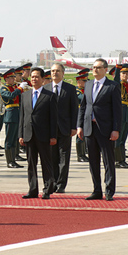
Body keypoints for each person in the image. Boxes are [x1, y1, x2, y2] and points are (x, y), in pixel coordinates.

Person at [77, 58, 121, 201]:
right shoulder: (88, 84)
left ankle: (109, 190)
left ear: (105, 70)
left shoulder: (112, 86)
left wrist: (116, 129)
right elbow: (83, 107)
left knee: (108, 161)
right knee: (93, 161)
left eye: (98, 67)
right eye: (93, 67)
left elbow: (117, 110)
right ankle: (96, 190)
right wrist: (79, 126)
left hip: (106, 129)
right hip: (90, 128)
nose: (95, 70)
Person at [19, 67, 57, 199]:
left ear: (42, 79)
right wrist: (21, 134)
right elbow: (22, 117)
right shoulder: (25, 95)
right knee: (31, 163)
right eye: (32, 77)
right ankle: (32, 189)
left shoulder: (50, 96)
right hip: (29, 134)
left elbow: (53, 118)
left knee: (46, 163)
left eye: (37, 77)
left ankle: (47, 189)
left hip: (44, 135)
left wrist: (53, 136)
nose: (34, 79)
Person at [44, 62, 78, 193]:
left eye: (57, 71)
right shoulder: (45, 88)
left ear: (63, 73)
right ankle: (52, 182)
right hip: (49, 130)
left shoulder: (69, 89)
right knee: (51, 157)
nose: (54, 73)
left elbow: (74, 109)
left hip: (65, 128)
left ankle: (61, 184)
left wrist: (74, 127)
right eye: (52, 71)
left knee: (63, 157)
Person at [0, 68, 27, 168]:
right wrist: (19, 89)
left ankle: (14, 158)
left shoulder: (14, 87)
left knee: (16, 138)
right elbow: (10, 96)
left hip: (17, 114)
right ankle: (9, 161)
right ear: (6, 79)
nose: (14, 79)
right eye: (12, 77)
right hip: (10, 116)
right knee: (9, 140)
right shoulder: (4, 88)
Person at [113, 64, 128, 169]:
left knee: (123, 139)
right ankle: (118, 160)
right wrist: (117, 69)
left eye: (127, 73)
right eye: (123, 73)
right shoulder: (118, 85)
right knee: (118, 139)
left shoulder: (127, 85)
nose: (126, 75)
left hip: (126, 113)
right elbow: (116, 81)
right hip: (120, 113)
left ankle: (122, 159)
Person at [75, 68, 90, 162]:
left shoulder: (85, 90)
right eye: (84, 81)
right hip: (79, 115)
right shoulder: (76, 91)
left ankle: (83, 153)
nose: (86, 82)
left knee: (84, 135)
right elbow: (82, 98)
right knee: (80, 136)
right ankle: (80, 155)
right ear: (79, 81)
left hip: (86, 114)